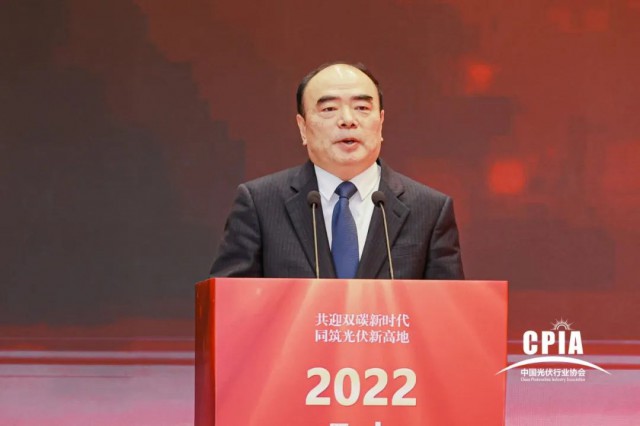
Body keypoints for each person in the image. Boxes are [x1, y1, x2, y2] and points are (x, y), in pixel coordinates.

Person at [210, 62, 464, 279]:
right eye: (329, 109)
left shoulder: (429, 210)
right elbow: (230, 306)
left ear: (380, 122)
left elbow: (448, 311)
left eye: (362, 108)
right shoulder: (260, 204)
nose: (348, 120)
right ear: (302, 127)